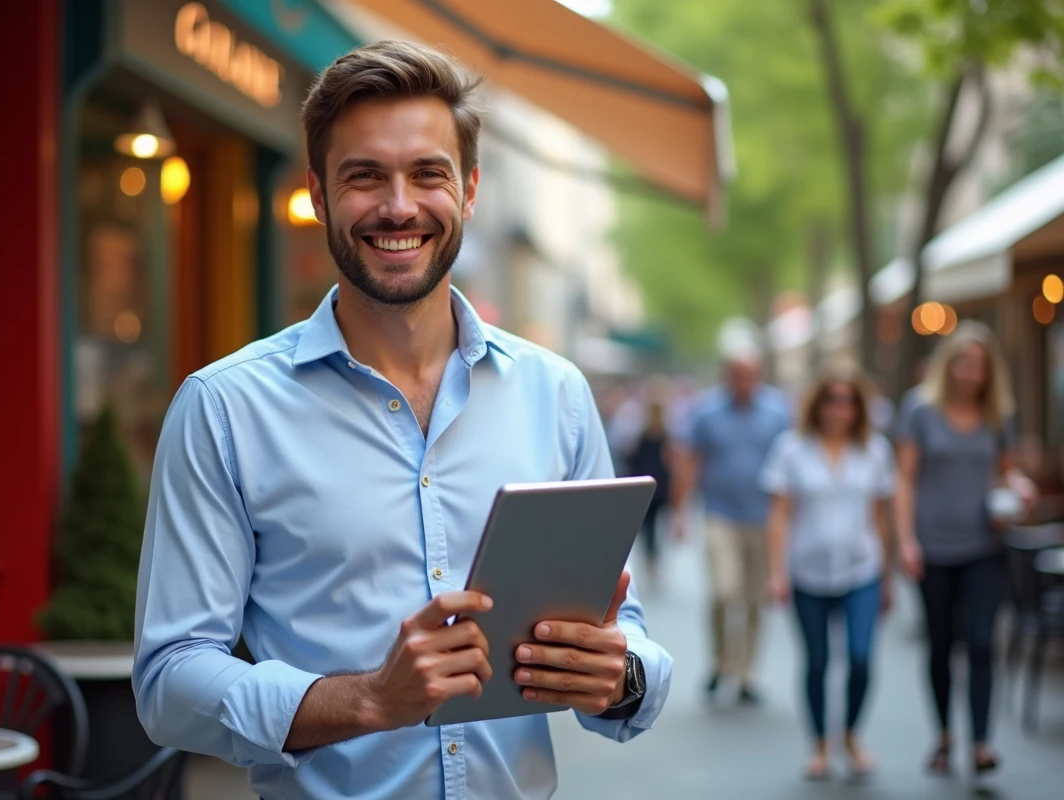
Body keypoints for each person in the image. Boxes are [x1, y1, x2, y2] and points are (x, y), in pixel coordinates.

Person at [131, 41, 672, 800]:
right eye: (364, 176)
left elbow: (628, 626)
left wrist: (619, 674)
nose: (398, 206)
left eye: (428, 174)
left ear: (471, 190)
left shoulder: (556, 392)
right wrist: (368, 700)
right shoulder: (223, 409)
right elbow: (169, 679)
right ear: (318, 194)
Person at [893, 321, 1035, 776]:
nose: (972, 373)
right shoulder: (919, 409)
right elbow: (905, 479)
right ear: (948, 364)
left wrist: (1019, 487)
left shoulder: (999, 414)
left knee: (980, 643)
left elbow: (1003, 473)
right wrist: (906, 540)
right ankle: (943, 736)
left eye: (980, 366)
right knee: (940, 646)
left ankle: (980, 742)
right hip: (932, 546)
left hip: (984, 546)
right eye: (964, 363)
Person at [761, 362, 894, 780]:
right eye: (833, 400)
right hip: (808, 572)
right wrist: (776, 573)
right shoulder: (791, 448)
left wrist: (888, 577)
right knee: (817, 660)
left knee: (860, 657)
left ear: (859, 407)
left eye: (849, 401)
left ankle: (851, 734)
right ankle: (819, 744)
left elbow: (880, 515)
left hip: (862, 570)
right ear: (818, 404)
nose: (840, 409)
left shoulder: (875, 450)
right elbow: (779, 515)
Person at [675, 344, 790, 703]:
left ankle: (746, 673)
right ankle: (721, 662)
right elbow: (691, 460)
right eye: (737, 375)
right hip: (720, 515)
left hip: (764, 519)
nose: (744, 382)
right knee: (724, 592)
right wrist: (680, 510)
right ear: (727, 375)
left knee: (756, 598)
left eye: (750, 375)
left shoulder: (778, 412)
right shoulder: (707, 412)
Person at [627, 398, 673, 585]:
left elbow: (633, 458)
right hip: (659, 484)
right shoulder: (665, 434)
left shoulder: (644, 433)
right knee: (653, 526)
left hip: (646, 485)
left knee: (648, 526)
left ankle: (650, 558)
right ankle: (652, 560)